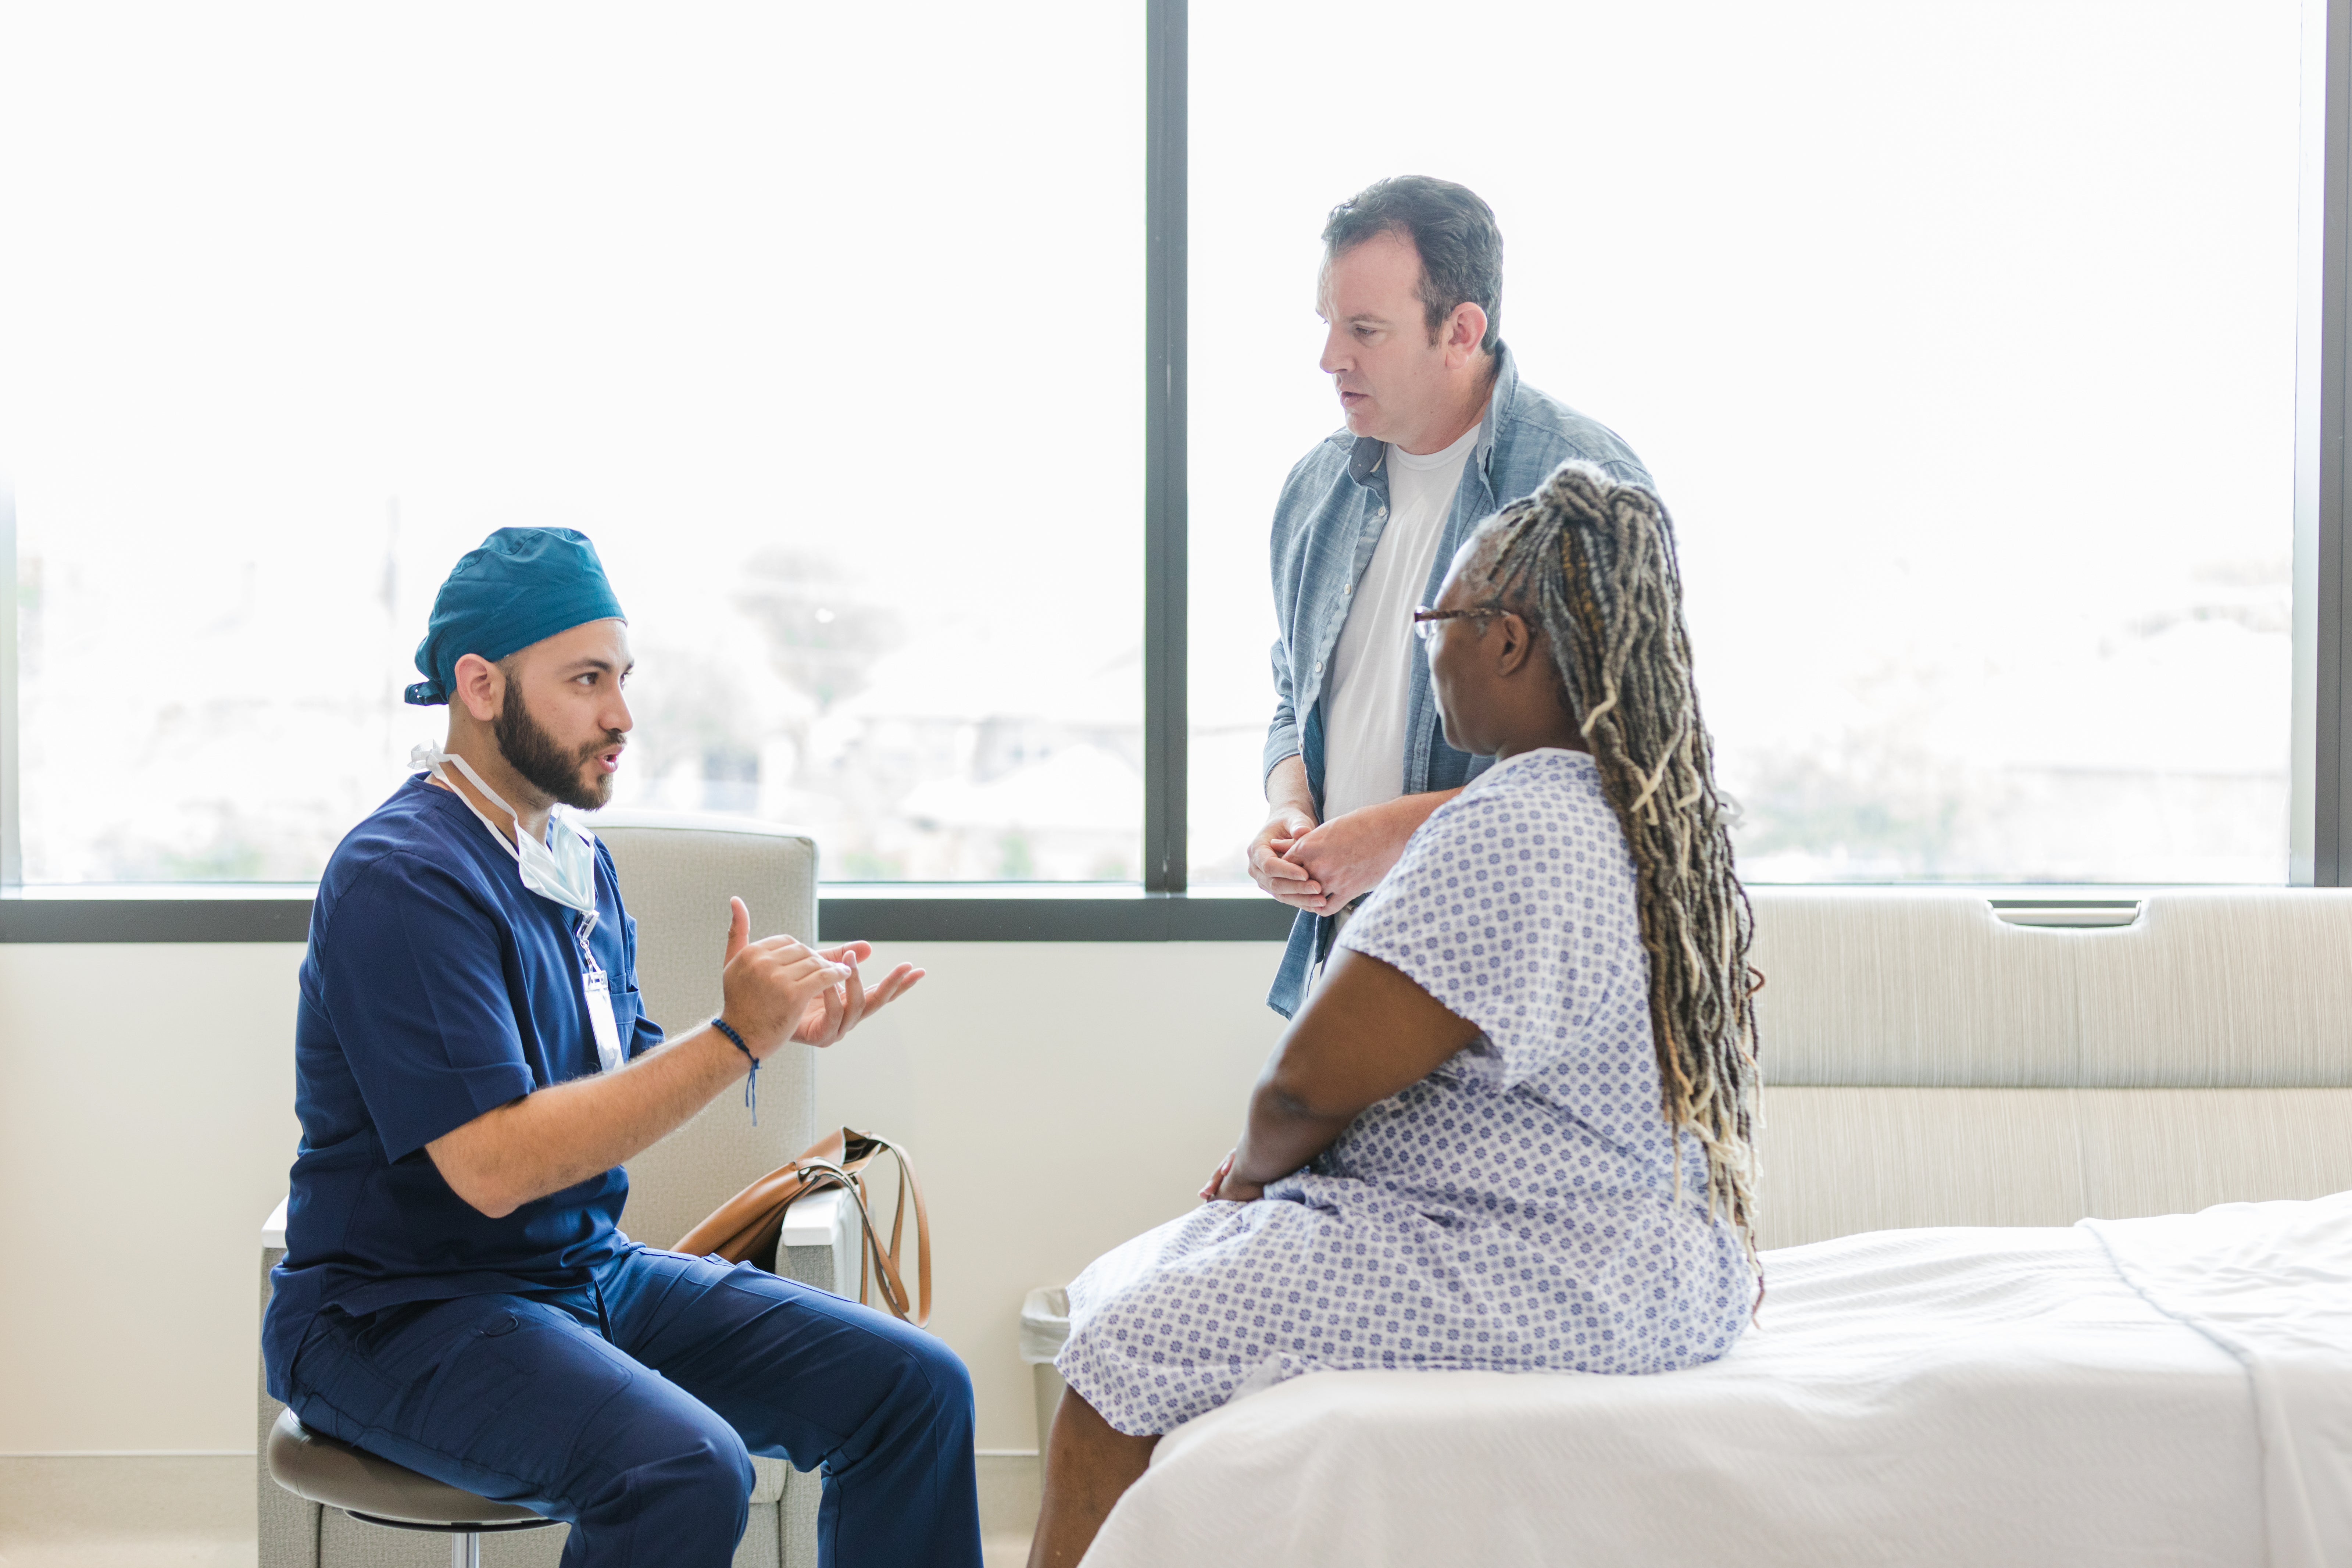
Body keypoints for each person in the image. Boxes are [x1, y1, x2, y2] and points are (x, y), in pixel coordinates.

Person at [1028, 465, 1762, 1568]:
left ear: (1506, 640)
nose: (1430, 650)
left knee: (1118, 1348)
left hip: (1538, 1268)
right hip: (1661, 1265)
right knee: (1169, 1271)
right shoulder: (1653, 813)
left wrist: (1246, 1176)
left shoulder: (1509, 822)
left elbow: (1304, 1085)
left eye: (1437, 620)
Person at [261, 527, 983, 1568]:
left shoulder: (570, 862)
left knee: (913, 1389)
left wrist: (776, 1034)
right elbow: (496, 1165)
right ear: (481, 685)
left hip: (582, 1276)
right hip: (396, 1316)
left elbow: (621, 1076)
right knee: (682, 1466)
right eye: (586, 679)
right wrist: (735, 1038)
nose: (621, 716)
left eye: (624, 678)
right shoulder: (403, 878)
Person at [1251, 175, 1654, 1018]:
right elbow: (1293, 695)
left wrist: (1396, 837)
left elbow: (1628, 765)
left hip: (1514, 988)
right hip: (1347, 965)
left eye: (1365, 330)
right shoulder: (1316, 489)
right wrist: (1290, 813)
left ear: (1460, 331)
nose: (1331, 359)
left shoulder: (1581, 487)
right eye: (1328, 324)